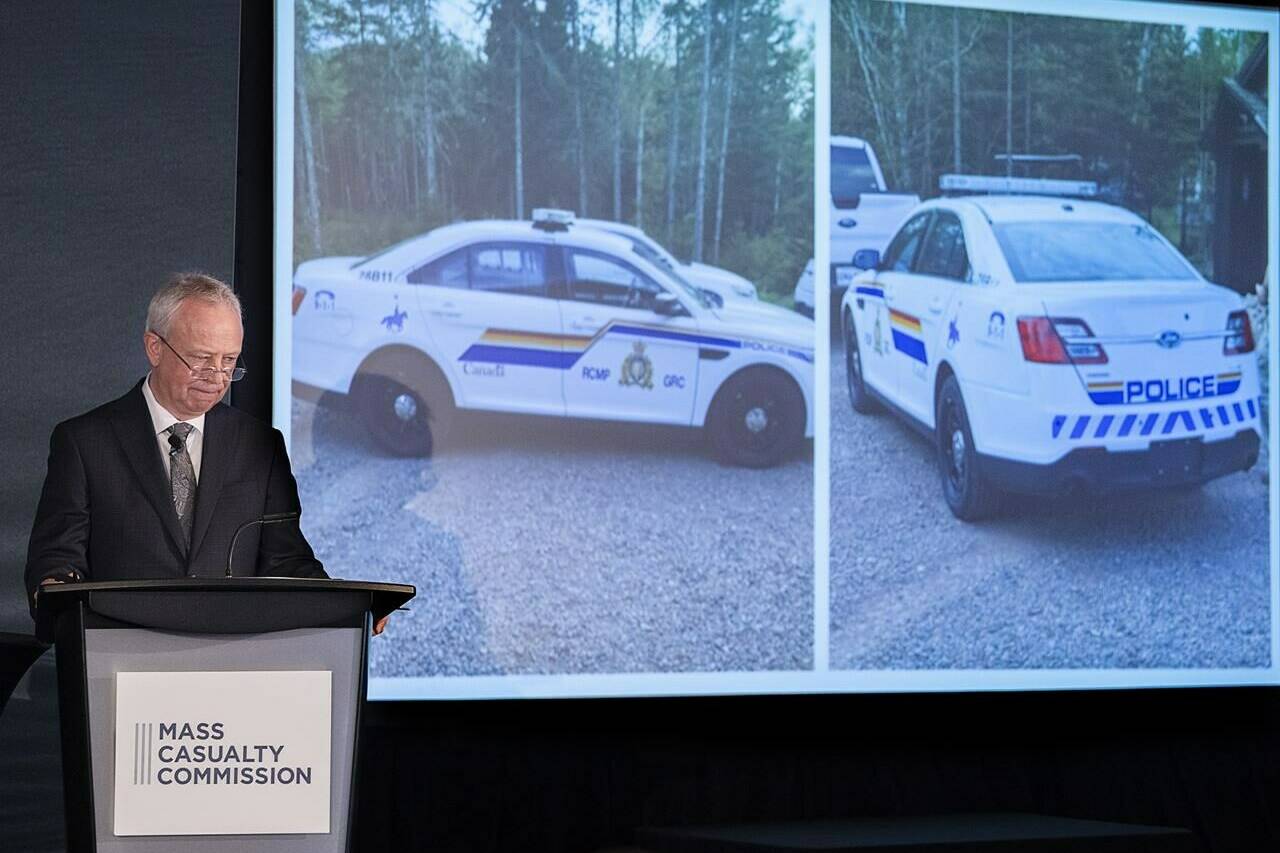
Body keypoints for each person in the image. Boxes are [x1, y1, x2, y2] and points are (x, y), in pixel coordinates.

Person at [24, 273, 389, 634]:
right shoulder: (85, 442)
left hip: (230, 661)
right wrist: (55, 592)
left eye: (229, 361)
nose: (216, 377)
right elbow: (58, 558)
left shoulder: (261, 445)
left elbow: (287, 560)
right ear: (155, 347)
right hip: (120, 658)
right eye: (201, 359)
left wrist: (348, 606)